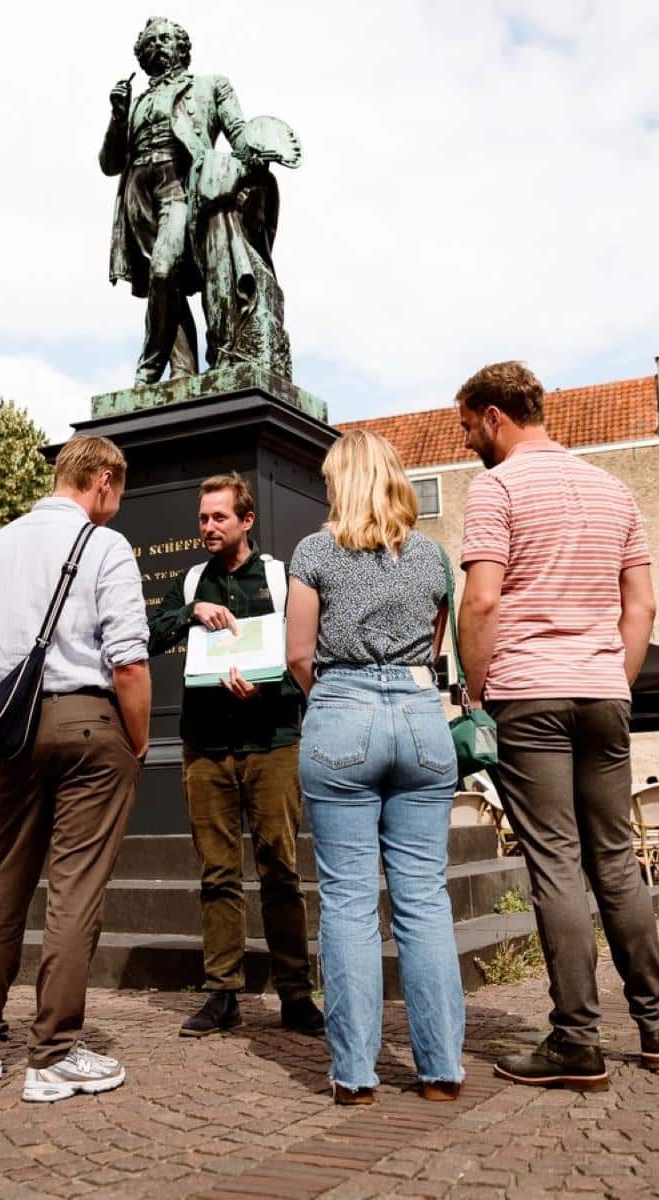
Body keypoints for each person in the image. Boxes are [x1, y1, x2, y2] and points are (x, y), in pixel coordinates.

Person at [453, 361, 659, 1091]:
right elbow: (641, 607)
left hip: (529, 694)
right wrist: (614, 677)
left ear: (495, 416)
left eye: (469, 427)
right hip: (603, 693)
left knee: (555, 862)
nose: (467, 443)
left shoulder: (496, 488)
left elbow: (482, 601)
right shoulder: (613, 490)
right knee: (615, 859)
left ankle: (577, 1040)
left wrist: (477, 694)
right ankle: (657, 1028)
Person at [0, 434, 151, 1104]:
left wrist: (10, 715)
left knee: (5, 885)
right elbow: (128, 662)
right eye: (119, 490)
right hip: (90, 724)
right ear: (103, 480)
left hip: (17, 732)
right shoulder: (104, 545)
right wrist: (138, 741)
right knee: (74, 890)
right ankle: (54, 1052)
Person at [285, 429, 464, 1106]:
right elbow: (436, 648)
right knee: (424, 900)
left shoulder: (315, 551)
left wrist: (336, 699)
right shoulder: (432, 556)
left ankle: (356, 1076)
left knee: (349, 902)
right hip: (421, 717)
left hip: (342, 708)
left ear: (343, 481)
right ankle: (441, 1070)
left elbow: (298, 653)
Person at [147, 473, 321, 1039]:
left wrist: (265, 690)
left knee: (280, 871)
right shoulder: (191, 581)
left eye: (219, 517)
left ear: (247, 520)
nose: (208, 526)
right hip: (206, 746)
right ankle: (222, 992)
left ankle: (296, 994)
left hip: (272, 741)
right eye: (203, 518)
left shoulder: (279, 577)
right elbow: (150, 634)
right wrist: (192, 611)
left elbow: (305, 657)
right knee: (216, 874)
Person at [100, 17, 290, 384]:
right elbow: (109, 164)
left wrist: (258, 157)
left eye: (165, 38)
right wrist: (118, 116)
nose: (157, 45)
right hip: (139, 200)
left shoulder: (210, 86)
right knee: (163, 284)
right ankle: (182, 368)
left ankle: (149, 366)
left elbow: (241, 137)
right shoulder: (135, 104)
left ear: (182, 48)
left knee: (163, 269)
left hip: (181, 188)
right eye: (150, 42)